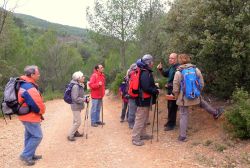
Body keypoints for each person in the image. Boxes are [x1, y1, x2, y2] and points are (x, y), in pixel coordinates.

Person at [173, 54, 224, 142]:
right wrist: (197, 92)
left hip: (183, 98)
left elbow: (176, 86)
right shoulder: (195, 69)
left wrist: (176, 96)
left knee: (183, 115)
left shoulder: (178, 72)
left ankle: (182, 136)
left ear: (179, 61)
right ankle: (215, 113)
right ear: (188, 60)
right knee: (202, 103)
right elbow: (201, 83)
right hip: (195, 95)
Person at [18, 65, 46, 166]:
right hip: (30, 116)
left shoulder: (24, 84)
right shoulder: (28, 86)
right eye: (37, 73)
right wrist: (42, 111)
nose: (39, 75)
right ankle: (26, 155)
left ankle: (31, 154)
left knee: (29, 135)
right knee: (37, 136)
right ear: (32, 74)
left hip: (25, 114)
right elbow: (36, 104)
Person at [132, 54, 159, 146]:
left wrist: (154, 87)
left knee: (144, 118)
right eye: (152, 61)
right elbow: (146, 87)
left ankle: (143, 134)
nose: (153, 63)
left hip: (144, 99)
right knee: (140, 118)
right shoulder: (145, 73)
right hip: (142, 99)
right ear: (148, 62)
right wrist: (155, 90)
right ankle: (135, 138)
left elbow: (147, 85)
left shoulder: (145, 71)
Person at [157, 53, 179, 131]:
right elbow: (166, 74)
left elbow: (177, 81)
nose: (170, 59)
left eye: (172, 58)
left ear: (176, 59)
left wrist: (170, 85)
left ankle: (171, 125)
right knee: (169, 106)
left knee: (173, 107)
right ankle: (170, 121)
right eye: (170, 58)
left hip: (174, 90)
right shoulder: (172, 67)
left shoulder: (178, 68)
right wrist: (161, 69)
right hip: (170, 89)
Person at [67, 71, 89, 141]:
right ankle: (70, 135)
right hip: (75, 106)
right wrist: (84, 99)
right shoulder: (76, 86)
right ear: (78, 78)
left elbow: (80, 95)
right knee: (78, 122)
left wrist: (85, 97)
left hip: (77, 105)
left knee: (75, 120)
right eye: (82, 76)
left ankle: (75, 132)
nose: (84, 77)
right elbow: (75, 98)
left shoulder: (79, 85)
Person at [126, 63, 138, 129]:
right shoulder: (131, 74)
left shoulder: (135, 74)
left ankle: (133, 123)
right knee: (132, 110)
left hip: (135, 95)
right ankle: (131, 123)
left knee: (134, 110)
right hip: (131, 95)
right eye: (135, 68)